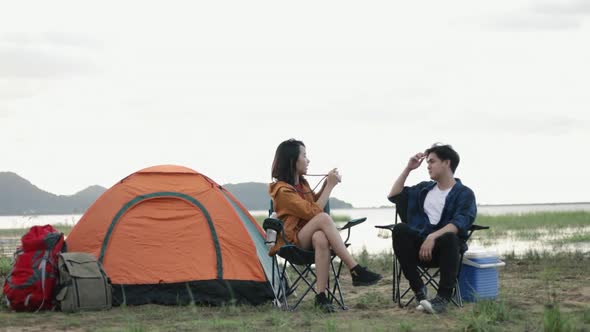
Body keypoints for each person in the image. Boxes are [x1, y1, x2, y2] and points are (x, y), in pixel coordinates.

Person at [269, 139, 382, 313]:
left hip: (308, 237)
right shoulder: (282, 191)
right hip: (291, 241)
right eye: (304, 156)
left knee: (320, 238)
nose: (308, 161)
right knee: (322, 218)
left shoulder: (302, 185)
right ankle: (355, 269)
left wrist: (326, 185)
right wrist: (329, 185)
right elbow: (314, 212)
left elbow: (314, 204)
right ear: (293, 160)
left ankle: (321, 296)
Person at [387, 143, 476, 314]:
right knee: (400, 229)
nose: (427, 166)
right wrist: (408, 168)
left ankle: (442, 298)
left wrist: (432, 237)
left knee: (450, 237)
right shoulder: (423, 189)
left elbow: (460, 222)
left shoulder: (464, 193)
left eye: (432, 161)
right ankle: (420, 290)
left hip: (445, 252)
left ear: (446, 163)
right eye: (427, 162)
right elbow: (394, 196)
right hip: (417, 250)